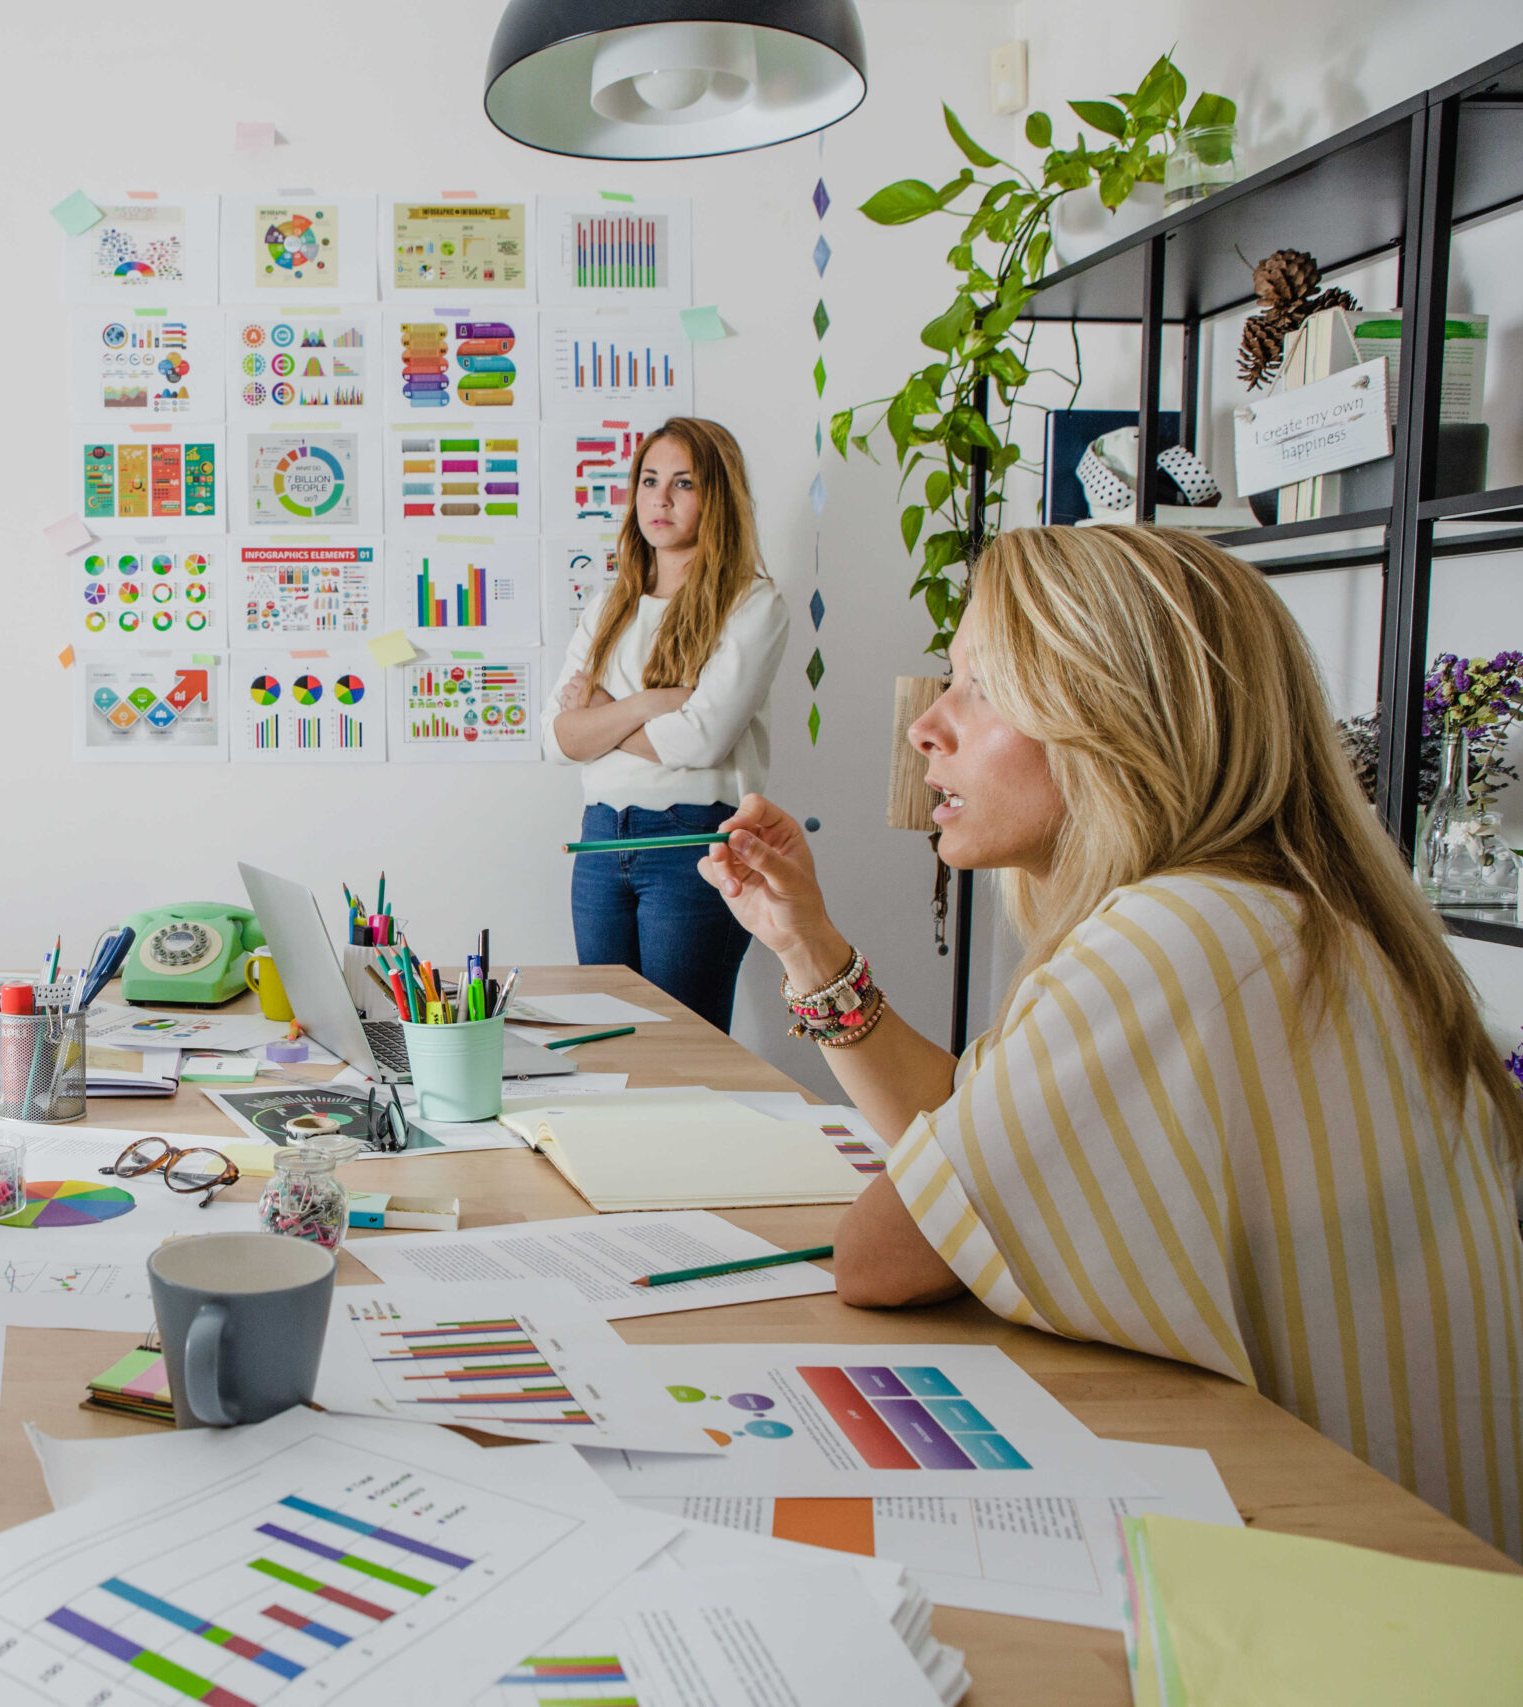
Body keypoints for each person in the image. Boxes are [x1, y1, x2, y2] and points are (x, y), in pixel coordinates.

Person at [700, 524, 1523, 1561]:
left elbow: (885, 1253)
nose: (928, 728)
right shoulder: (1278, 917)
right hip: (1413, 1557)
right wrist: (805, 946)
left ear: (1116, 720)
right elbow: (976, 1152)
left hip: (1353, 1568)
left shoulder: (1180, 934)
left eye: (984, 686)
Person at [544, 417, 789, 1032]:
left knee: (685, 1046)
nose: (660, 497)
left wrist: (598, 714)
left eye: (684, 483)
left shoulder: (752, 604)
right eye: (650, 480)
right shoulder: (608, 606)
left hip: (691, 845)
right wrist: (646, 705)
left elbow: (701, 740)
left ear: (717, 497)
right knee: (605, 1043)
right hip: (600, 843)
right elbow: (554, 739)